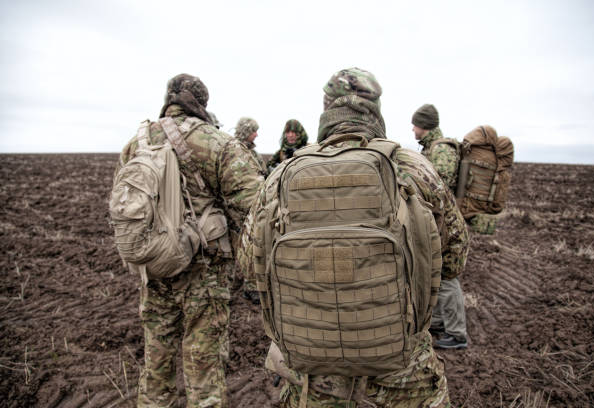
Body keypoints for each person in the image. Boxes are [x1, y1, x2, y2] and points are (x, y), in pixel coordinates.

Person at [239, 68, 452, 407]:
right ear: (376, 109)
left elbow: (251, 264)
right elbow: (454, 259)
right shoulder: (413, 168)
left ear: (326, 109)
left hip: (314, 372)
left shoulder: (282, 175)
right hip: (401, 373)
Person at [118, 74, 263, 408]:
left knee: (157, 362)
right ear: (201, 103)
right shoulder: (218, 143)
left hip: (154, 268)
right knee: (204, 365)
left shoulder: (136, 142)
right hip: (205, 272)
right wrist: (251, 265)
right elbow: (254, 207)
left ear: (168, 100)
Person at [411, 104, 469, 349]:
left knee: (447, 278)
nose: (412, 129)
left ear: (423, 125)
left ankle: (456, 334)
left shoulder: (441, 149)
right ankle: (437, 323)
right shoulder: (431, 149)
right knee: (435, 273)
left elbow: (437, 185)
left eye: (415, 124)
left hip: (449, 227)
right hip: (440, 223)